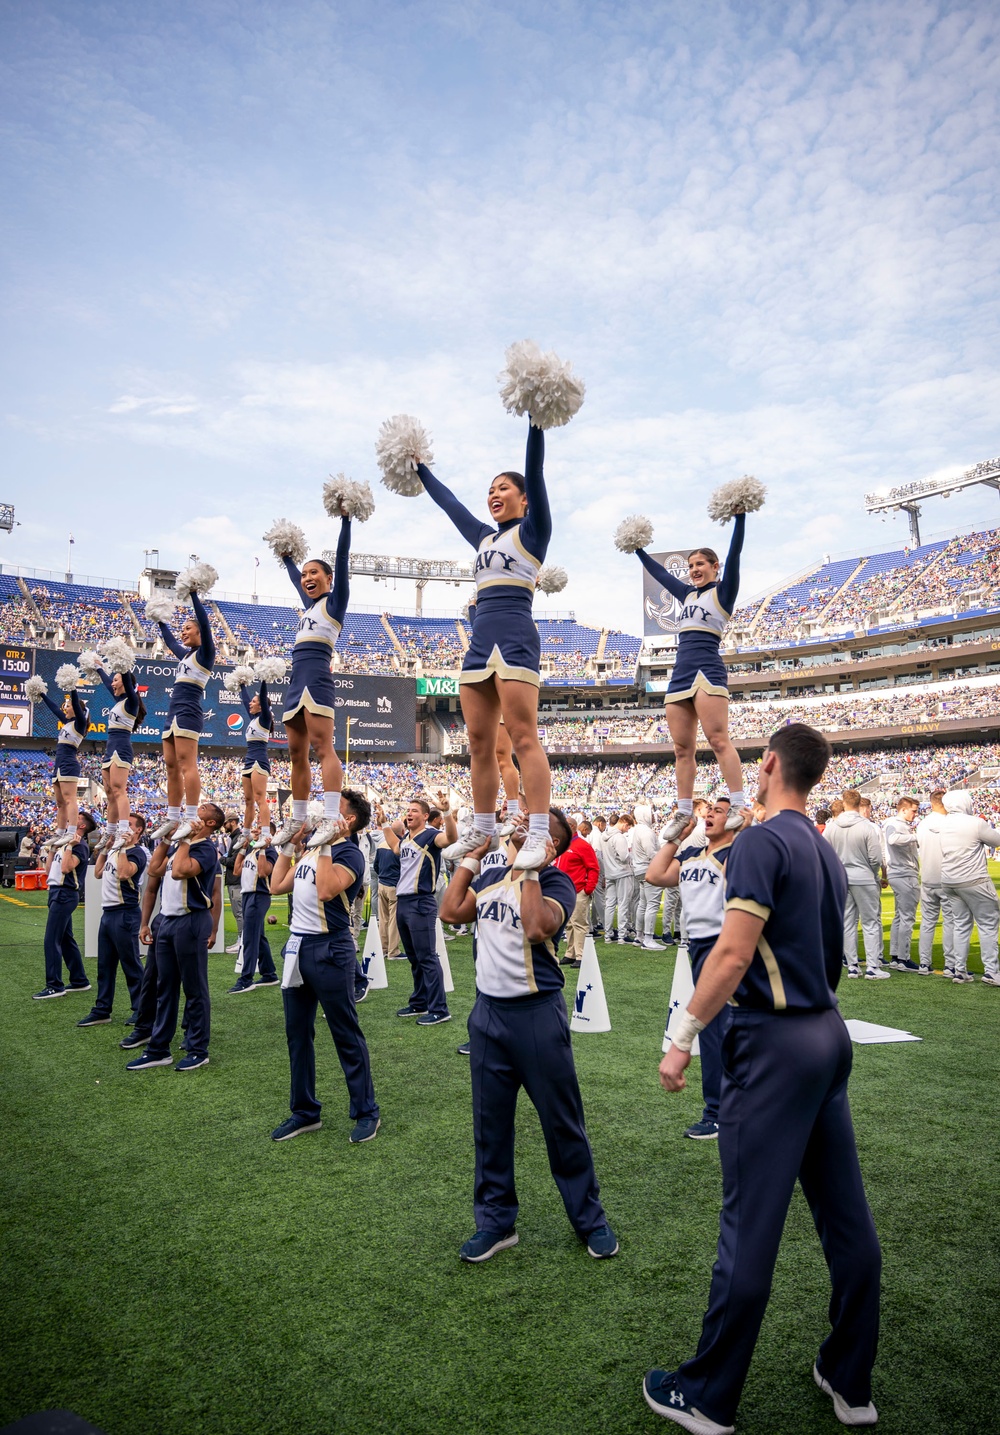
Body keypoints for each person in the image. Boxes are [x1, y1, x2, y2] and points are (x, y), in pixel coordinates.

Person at [647, 723, 881, 1432]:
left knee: (749, 1225)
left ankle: (710, 1394)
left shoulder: (758, 839)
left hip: (775, 1045)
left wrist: (681, 1036)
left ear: (772, 763)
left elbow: (731, 954)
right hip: (826, 1033)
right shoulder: (821, 843)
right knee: (847, 1220)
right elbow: (828, 958)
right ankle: (851, 1378)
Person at [439, 809, 619, 1262]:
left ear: (548, 842)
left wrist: (534, 866)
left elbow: (539, 926)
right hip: (487, 1016)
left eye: (530, 826)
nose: (516, 825)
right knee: (490, 1126)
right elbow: (450, 910)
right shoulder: (494, 873)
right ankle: (496, 1222)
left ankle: (589, 1220)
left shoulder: (556, 882)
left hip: (536, 1016)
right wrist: (472, 858)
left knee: (562, 1124)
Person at [414, 425, 554, 871]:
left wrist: (535, 422)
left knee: (523, 737)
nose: (494, 495)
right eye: (490, 490)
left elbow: (536, 467)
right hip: (479, 644)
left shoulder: (533, 531)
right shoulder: (482, 537)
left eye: (504, 488)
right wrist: (420, 469)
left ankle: (537, 828)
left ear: (524, 498)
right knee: (478, 742)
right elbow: (449, 502)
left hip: (515, 635)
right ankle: (484, 823)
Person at [268, 789, 381, 1143]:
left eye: (334, 809)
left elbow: (326, 891)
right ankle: (304, 1111)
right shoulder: (314, 849)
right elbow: (276, 885)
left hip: (330, 948)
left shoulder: (348, 852)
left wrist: (328, 844)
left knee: (345, 1032)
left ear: (347, 820)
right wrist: (289, 845)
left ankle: (366, 1111)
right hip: (298, 946)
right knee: (297, 1034)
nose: (321, 812)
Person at [630, 516, 750, 833]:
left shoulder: (724, 592)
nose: (694, 569)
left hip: (708, 668)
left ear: (715, 567)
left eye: (700, 564)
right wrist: (638, 549)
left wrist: (740, 518)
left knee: (718, 739)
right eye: (691, 565)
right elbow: (659, 573)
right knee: (682, 749)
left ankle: (738, 803)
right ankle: (683, 812)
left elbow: (736, 554)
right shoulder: (686, 595)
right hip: (680, 671)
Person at [645, 798, 746, 1141]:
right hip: (698, 947)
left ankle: (717, 1113)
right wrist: (676, 837)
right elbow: (655, 874)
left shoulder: (736, 854)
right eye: (710, 810)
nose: (711, 814)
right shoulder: (691, 855)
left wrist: (743, 830)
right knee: (715, 1028)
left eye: (720, 811)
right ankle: (725, 1108)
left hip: (723, 944)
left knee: (717, 1029)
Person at [271, 512, 353, 849]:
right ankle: (299, 817)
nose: (306, 578)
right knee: (295, 753)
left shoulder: (334, 604)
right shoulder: (308, 607)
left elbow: (343, 559)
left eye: (314, 572)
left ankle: (332, 815)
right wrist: (288, 557)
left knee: (322, 748)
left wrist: (346, 522)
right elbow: (293, 577)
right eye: (304, 574)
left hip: (317, 678)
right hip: (295, 681)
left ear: (329, 579)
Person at [126, 803, 224, 1072]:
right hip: (167, 922)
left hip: (191, 921)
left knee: (194, 989)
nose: (192, 815)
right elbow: (155, 870)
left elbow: (181, 871)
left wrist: (184, 841)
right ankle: (158, 1048)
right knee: (164, 988)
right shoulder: (178, 845)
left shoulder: (204, 848)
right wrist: (168, 838)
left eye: (200, 813)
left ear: (210, 824)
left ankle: (198, 1049)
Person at [382, 794, 458, 1024]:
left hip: (421, 901)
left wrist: (446, 813)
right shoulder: (406, 838)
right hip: (404, 902)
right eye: (408, 809)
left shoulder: (431, 835)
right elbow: (395, 847)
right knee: (415, 958)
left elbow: (452, 838)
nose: (409, 813)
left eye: (414, 810)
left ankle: (439, 1009)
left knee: (427, 957)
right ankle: (419, 1002)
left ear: (425, 816)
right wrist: (383, 822)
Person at [151, 587, 216, 843]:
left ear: (199, 632)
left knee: (187, 764)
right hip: (173, 713)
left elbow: (205, 623)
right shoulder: (186, 655)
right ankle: (173, 816)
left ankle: (191, 815)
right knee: (170, 766)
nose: (183, 632)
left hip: (189, 711)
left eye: (188, 628)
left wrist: (194, 596)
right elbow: (169, 641)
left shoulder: (205, 653)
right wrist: (159, 618)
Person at [77, 813, 149, 1026]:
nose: (122, 829)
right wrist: (106, 849)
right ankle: (102, 1009)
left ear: (138, 831)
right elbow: (98, 873)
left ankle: (142, 1009)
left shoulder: (137, 853)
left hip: (125, 913)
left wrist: (122, 848)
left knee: (131, 965)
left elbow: (125, 874)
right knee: (105, 965)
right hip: (108, 913)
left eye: (128, 825)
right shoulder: (116, 851)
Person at [823, 790, 889, 979]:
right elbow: (876, 857)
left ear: (844, 804)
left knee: (847, 922)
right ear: (859, 803)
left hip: (841, 878)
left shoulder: (833, 827)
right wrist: (870, 870)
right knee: (870, 922)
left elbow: (825, 853)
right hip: (864, 877)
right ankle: (872, 966)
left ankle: (852, 966)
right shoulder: (867, 827)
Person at [939, 789, 1000, 986]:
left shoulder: (944, 823)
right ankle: (991, 971)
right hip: (974, 880)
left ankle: (959, 970)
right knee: (988, 924)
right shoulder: (975, 823)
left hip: (949, 880)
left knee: (961, 925)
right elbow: (996, 841)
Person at [33, 812, 96, 999]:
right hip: (56, 891)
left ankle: (54, 985)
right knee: (66, 939)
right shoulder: (68, 844)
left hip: (65, 893)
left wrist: (69, 846)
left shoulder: (79, 846)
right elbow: (48, 869)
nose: (71, 818)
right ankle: (79, 980)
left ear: (82, 826)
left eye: (76, 817)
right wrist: (54, 847)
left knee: (51, 939)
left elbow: (67, 868)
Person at [91, 657, 145, 854]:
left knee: (118, 790)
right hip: (110, 747)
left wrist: (122, 665)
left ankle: (123, 831)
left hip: (121, 747)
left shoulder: (131, 702)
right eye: (112, 680)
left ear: (125, 681)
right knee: (110, 794)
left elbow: (127, 684)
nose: (112, 683)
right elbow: (107, 684)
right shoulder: (119, 701)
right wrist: (99, 668)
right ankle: (110, 830)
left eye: (116, 679)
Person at [34, 682, 90, 849]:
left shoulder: (80, 723)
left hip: (68, 763)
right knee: (59, 802)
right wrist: (42, 694)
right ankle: (59, 832)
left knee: (69, 799)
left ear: (77, 709)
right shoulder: (67, 722)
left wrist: (72, 687)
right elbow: (53, 709)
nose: (65, 708)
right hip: (59, 764)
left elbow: (76, 702)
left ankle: (71, 831)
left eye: (68, 706)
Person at [227, 830, 279, 991]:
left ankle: (246, 979)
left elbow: (264, 872)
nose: (254, 832)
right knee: (258, 936)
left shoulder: (269, 851)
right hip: (248, 895)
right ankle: (269, 974)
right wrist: (243, 848)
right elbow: (236, 871)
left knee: (249, 937)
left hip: (259, 895)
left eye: (259, 829)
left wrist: (263, 847)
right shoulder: (252, 850)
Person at [916, 789, 956, 976]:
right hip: (946, 878)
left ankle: (924, 963)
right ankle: (950, 964)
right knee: (950, 922)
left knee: (928, 922)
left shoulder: (922, 824)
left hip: (928, 878)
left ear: (931, 803)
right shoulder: (950, 824)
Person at [554, 815, 600, 968]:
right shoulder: (563, 844)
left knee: (579, 923)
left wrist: (588, 888)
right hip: (564, 890)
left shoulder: (581, 845)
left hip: (578, 889)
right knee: (568, 924)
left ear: (572, 826)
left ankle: (580, 955)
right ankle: (571, 953)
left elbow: (593, 867)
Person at [882, 796, 921, 971]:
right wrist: (915, 837)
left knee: (899, 917)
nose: (915, 814)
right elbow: (892, 839)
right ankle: (903, 958)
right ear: (903, 809)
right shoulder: (894, 824)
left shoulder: (897, 823)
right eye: (913, 810)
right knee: (907, 917)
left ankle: (896, 957)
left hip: (900, 873)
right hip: (904, 873)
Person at [236, 677, 276, 848]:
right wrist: (242, 684)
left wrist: (264, 680)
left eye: (254, 702)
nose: (250, 704)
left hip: (259, 760)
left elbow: (264, 696)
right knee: (248, 800)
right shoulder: (253, 718)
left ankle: (265, 834)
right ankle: (244, 835)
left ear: (261, 705)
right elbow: (245, 700)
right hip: (249, 760)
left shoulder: (265, 718)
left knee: (260, 799)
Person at [631, 804, 665, 951]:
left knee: (643, 904)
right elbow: (651, 853)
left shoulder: (638, 829)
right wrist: (665, 861)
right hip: (649, 869)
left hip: (640, 869)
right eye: (651, 813)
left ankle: (639, 937)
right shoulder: (645, 832)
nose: (653, 816)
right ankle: (648, 939)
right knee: (652, 904)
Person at [603, 813, 635, 944]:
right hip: (622, 872)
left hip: (610, 872)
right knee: (623, 904)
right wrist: (631, 855)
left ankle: (608, 934)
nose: (628, 830)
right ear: (625, 824)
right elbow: (624, 857)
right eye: (628, 827)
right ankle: (622, 935)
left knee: (609, 904)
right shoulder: (619, 838)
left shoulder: (604, 836)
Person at [372, 830, 401, 959]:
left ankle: (383, 949)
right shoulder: (400, 846)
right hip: (394, 885)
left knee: (383, 919)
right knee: (394, 921)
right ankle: (393, 951)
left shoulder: (381, 845)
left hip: (382, 884)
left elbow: (376, 866)